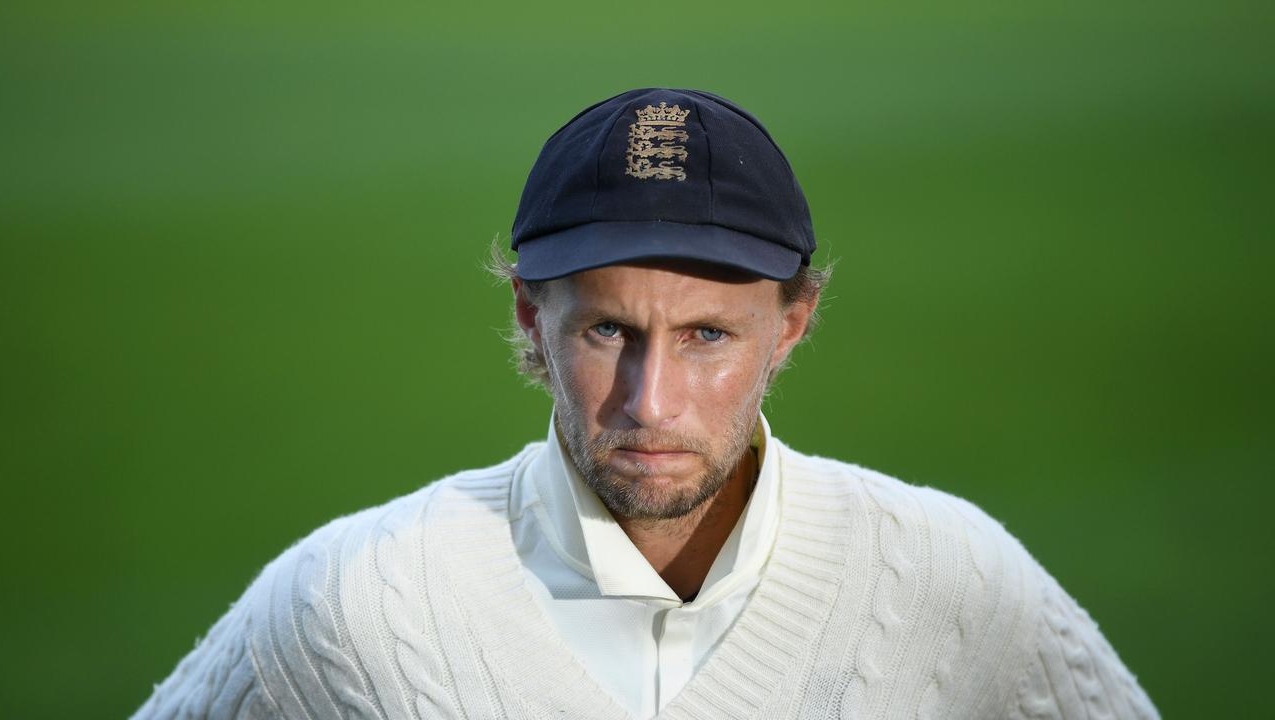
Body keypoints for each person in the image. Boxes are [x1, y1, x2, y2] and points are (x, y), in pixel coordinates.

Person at [134, 88, 1158, 720]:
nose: (648, 401)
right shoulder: (350, 603)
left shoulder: (950, 578)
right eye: (606, 331)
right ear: (532, 322)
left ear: (790, 324)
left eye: (706, 336)